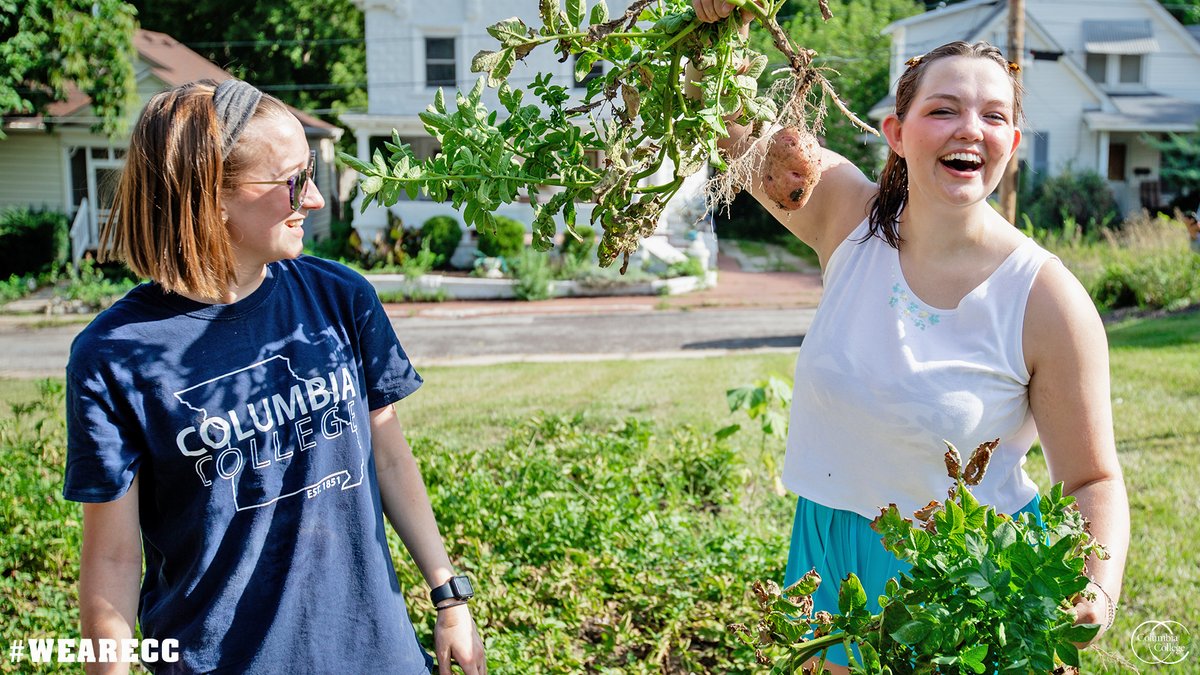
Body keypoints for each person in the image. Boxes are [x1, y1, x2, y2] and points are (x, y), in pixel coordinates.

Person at [692, 3, 1130, 671]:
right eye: (943, 110)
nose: (970, 129)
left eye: (993, 116)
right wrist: (721, 22)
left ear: (1012, 143)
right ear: (896, 132)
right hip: (828, 552)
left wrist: (1096, 588)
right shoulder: (846, 217)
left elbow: (1092, 478)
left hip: (968, 582)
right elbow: (722, 121)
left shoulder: (1046, 299)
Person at [63, 79, 486, 675]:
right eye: (293, 180)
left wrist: (450, 598)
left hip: (379, 655)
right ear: (211, 196)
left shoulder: (340, 299)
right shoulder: (112, 356)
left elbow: (389, 457)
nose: (313, 199)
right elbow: (111, 559)